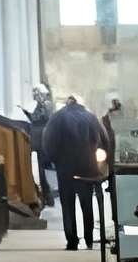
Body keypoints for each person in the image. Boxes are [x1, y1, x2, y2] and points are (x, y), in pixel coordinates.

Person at [44, 92, 108, 251]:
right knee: (87, 204)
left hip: (65, 168)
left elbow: (48, 142)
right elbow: (103, 139)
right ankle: (89, 239)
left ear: (67, 104)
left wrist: (55, 161)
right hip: (87, 168)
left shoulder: (57, 118)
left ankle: (72, 241)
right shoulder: (91, 117)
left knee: (67, 205)